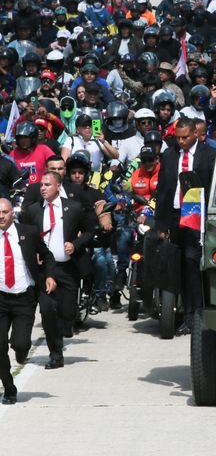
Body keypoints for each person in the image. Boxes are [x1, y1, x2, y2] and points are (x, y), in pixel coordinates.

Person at [20, 171, 94, 370]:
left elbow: (90, 231)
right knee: (47, 310)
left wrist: (76, 244)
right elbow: (25, 236)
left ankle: (63, 328)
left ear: (58, 187)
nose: (42, 188)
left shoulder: (74, 208)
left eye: (47, 185)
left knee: (68, 314)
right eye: (41, 185)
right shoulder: (33, 211)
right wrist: (32, 252)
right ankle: (56, 355)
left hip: (68, 269)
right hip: (46, 271)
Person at [153, 117, 216, 335]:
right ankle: (176, 310)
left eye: (185, 137)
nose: (181, 141)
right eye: (177, 137)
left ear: (195, 134)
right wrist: (161, 223)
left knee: (193, 264)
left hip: (197, 217)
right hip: (174, 215)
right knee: (175, 264)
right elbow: (162, 189)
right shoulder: (169, 155)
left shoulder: (209, 155)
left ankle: (195, 314)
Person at [0, 198, 57, 405]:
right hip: (1, 298)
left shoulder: (28, 233)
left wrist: (49, 276)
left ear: (12, 213)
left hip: (24, 297)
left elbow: (47, 256)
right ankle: (9, 389)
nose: (1, 216)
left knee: (20, 343)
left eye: (5, 212)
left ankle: (22, 352)